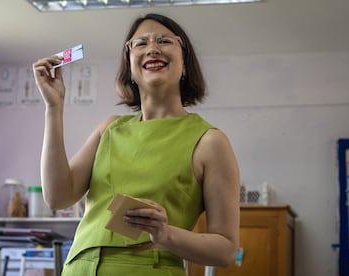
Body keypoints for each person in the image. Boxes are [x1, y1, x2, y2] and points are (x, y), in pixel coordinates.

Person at [33, 13, 240, 276]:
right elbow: (57, 196)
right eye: (140, 43)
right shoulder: (109, 128)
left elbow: (226, 249)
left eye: (164, 41)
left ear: (185, 63)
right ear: (130, 66)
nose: (152, 48)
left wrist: (165, 234)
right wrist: (54, 108)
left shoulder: (210, 142)